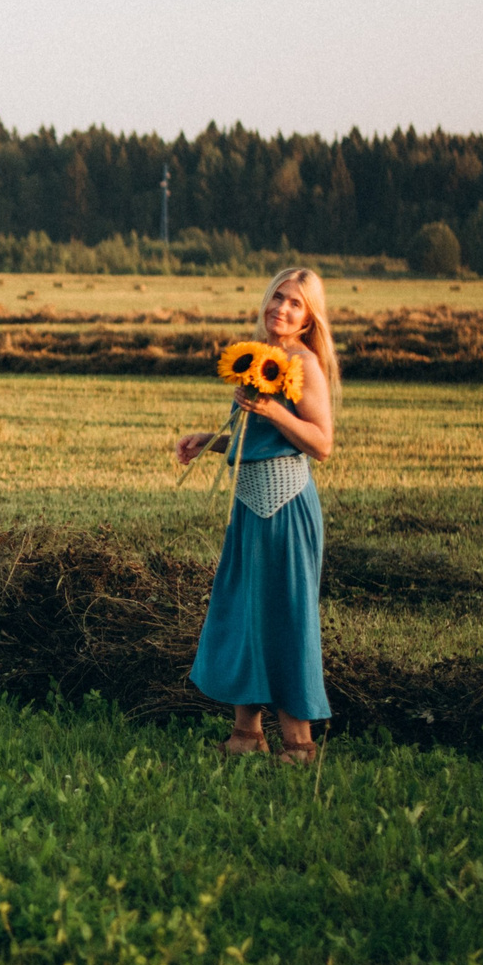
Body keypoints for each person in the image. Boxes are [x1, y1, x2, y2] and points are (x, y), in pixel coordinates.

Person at [174, 267, 339, 764]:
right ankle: (246, 734)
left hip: (286, 509)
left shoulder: (304, 363)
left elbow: (322, 444)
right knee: (246, 610)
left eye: (295, 304)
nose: (281, 309)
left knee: (287, 615)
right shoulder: (259, 357)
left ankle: (299, 742)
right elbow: (257, 440)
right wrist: (213, 442)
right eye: (277, 297)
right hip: (249, 508)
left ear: (309, 317)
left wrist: (276, 412)